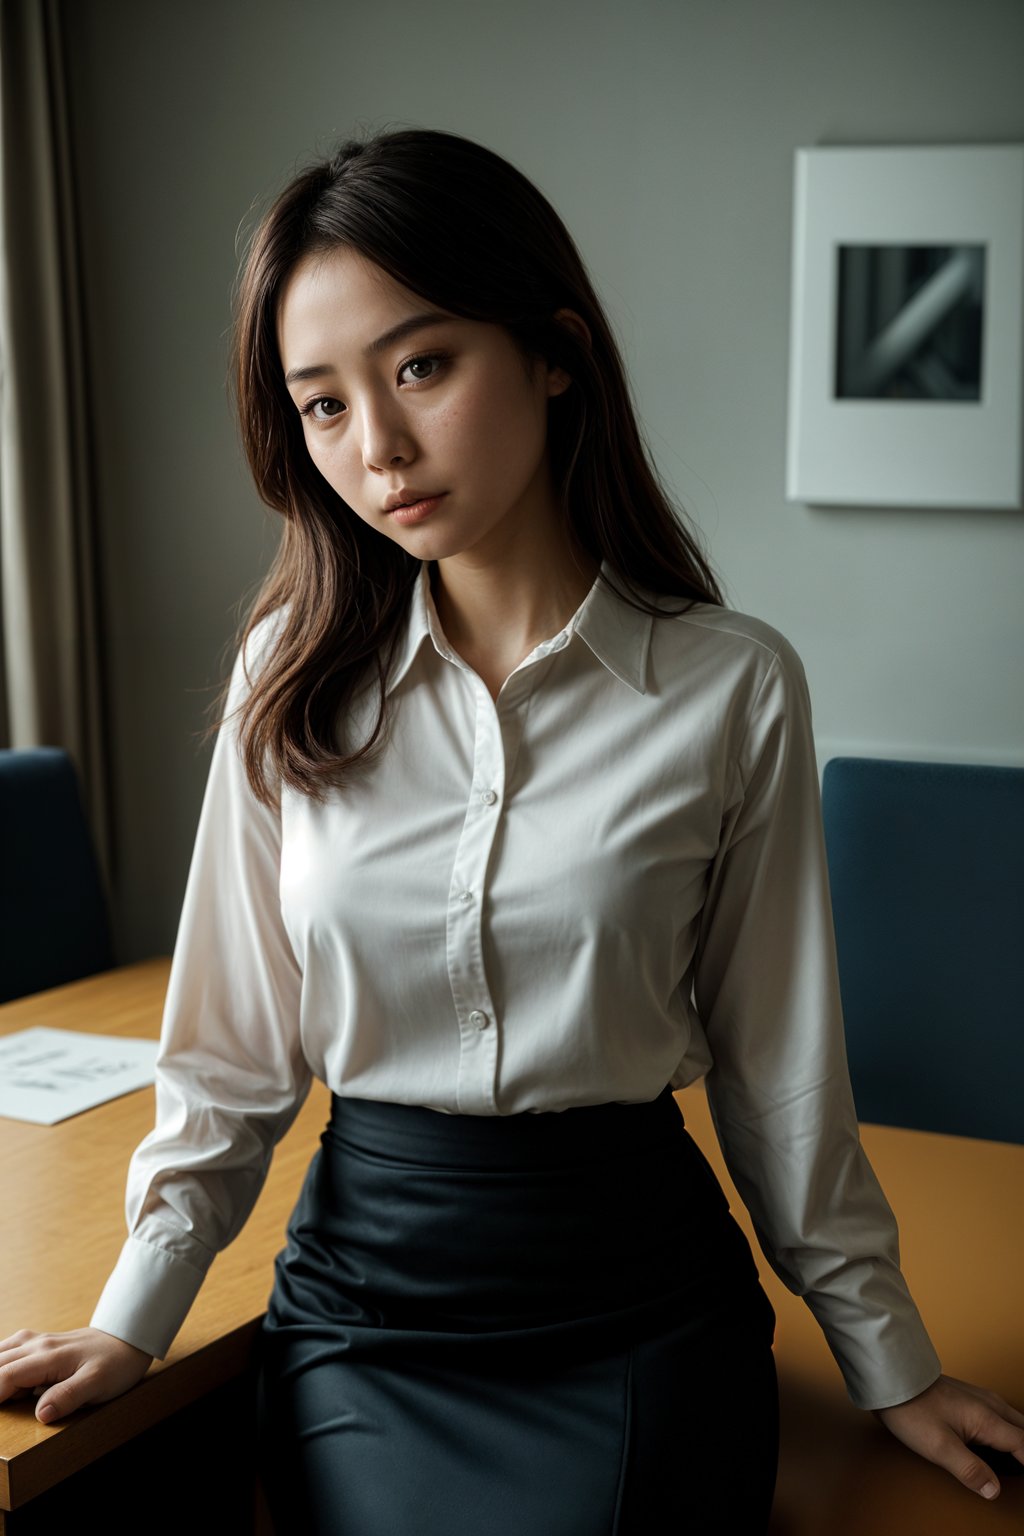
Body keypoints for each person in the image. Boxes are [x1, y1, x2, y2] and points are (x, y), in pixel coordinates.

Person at [1, 127, 1021, 1534]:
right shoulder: (289, 677)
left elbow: (783, 1076)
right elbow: (231, 1054)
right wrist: (135, 1315)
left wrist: (887, 1358)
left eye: (421, 366)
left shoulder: (732, 687)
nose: (380, 449)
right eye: (323, 405)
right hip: (364, 1313)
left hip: (639, 1313)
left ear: (552, 351)